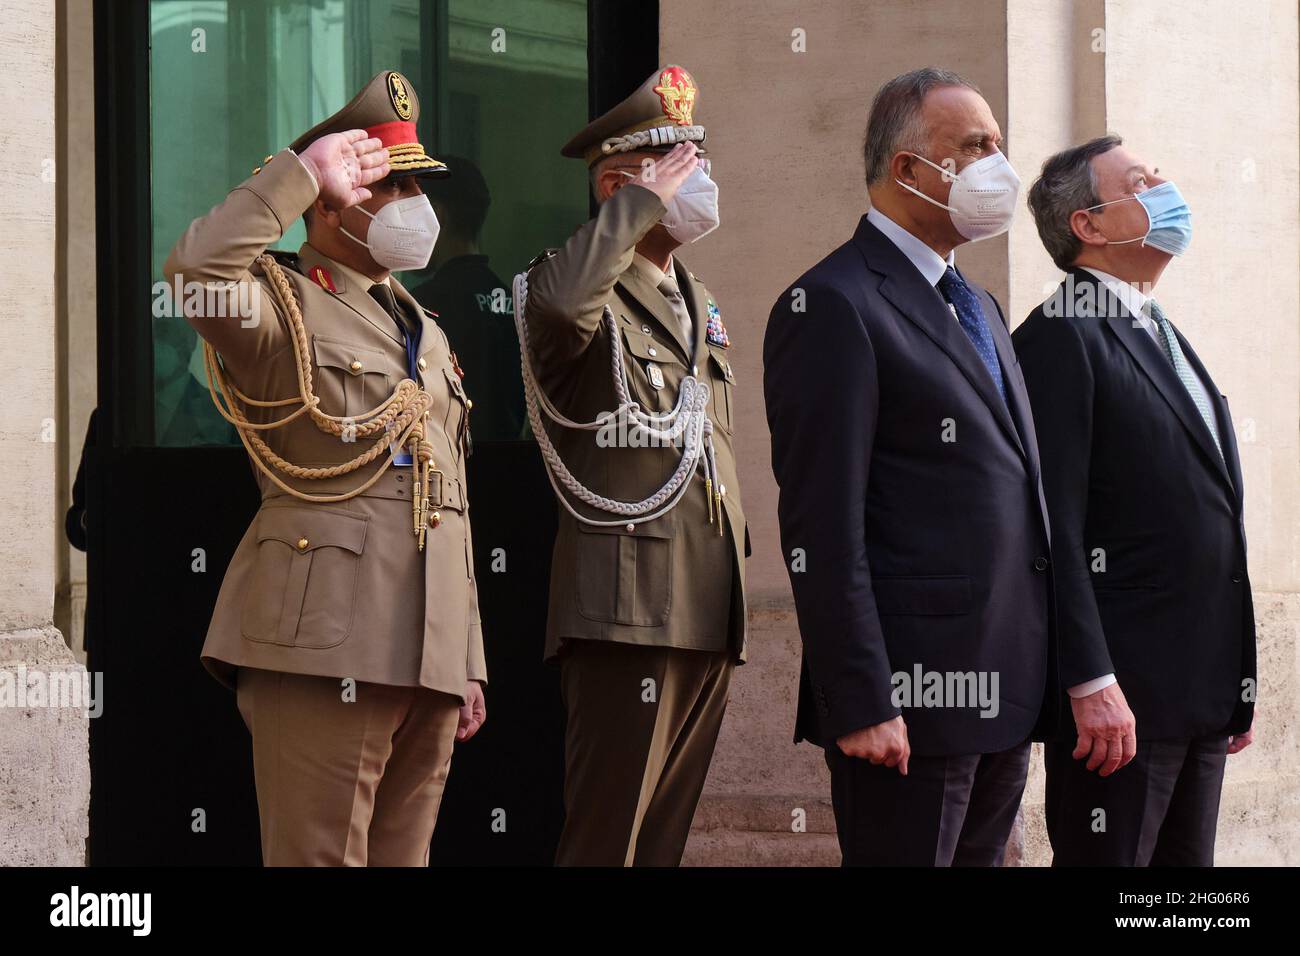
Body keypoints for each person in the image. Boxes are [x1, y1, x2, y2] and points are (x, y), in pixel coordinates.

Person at [164, 70, 487, 866]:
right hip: (325, 642)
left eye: (419, 184)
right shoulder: (281, 307)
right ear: (335, 202)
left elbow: (451, 499)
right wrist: (299, 171)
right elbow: (194, 279)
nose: (416, 204)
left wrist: (467, 659)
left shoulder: (427, 331)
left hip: (429, 653)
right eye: (393, 184)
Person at [764, 67, 1054, 866]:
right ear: (907, 170)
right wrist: (861, 698)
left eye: (1000, 143)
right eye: (977, 146)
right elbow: (822, 525)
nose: (1000, 163)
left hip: (1003, 694)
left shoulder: (982, 307)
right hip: (908, 708)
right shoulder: (832, 302)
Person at [519, 65, 748, 866]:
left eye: (702, 160)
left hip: (706, 598)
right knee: (606, 841)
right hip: (628, 602)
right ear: (619, 187)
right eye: (683, 165)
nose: (704, 179)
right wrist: (636, 209)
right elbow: (556, 310)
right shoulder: (574, 287)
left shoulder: (697, 297)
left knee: (660, 843)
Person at [1014, 136, 1256, 866]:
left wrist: (1233, 680)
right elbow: (1052, 527)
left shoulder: (1159, 331)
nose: (1165, 189)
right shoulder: (1062, 337)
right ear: (1088, 225)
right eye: (1142, 181)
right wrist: (1088, 679)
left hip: (1197, 693)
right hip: (1118, 704)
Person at [410, 155, 525, 441]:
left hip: (452, 469)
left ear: (438, 216)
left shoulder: (421, 305)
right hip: (517, 470)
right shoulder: (515, 300)